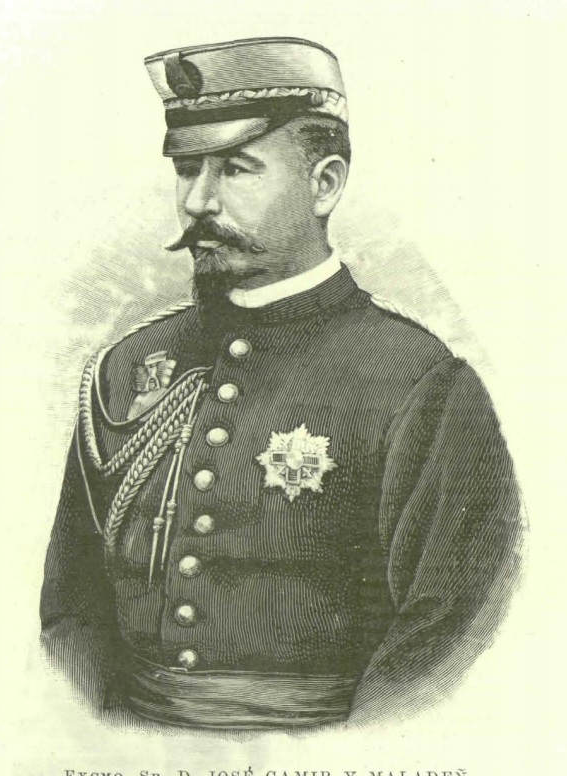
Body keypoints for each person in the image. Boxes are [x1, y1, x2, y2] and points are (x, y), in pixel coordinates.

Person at [40, 36, 521, 730]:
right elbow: (71, 610)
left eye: (237, 169)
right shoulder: (129, 367)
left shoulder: (417, 380)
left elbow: (446, 638)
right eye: (187, 169)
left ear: (325, 184)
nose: (198, 201)